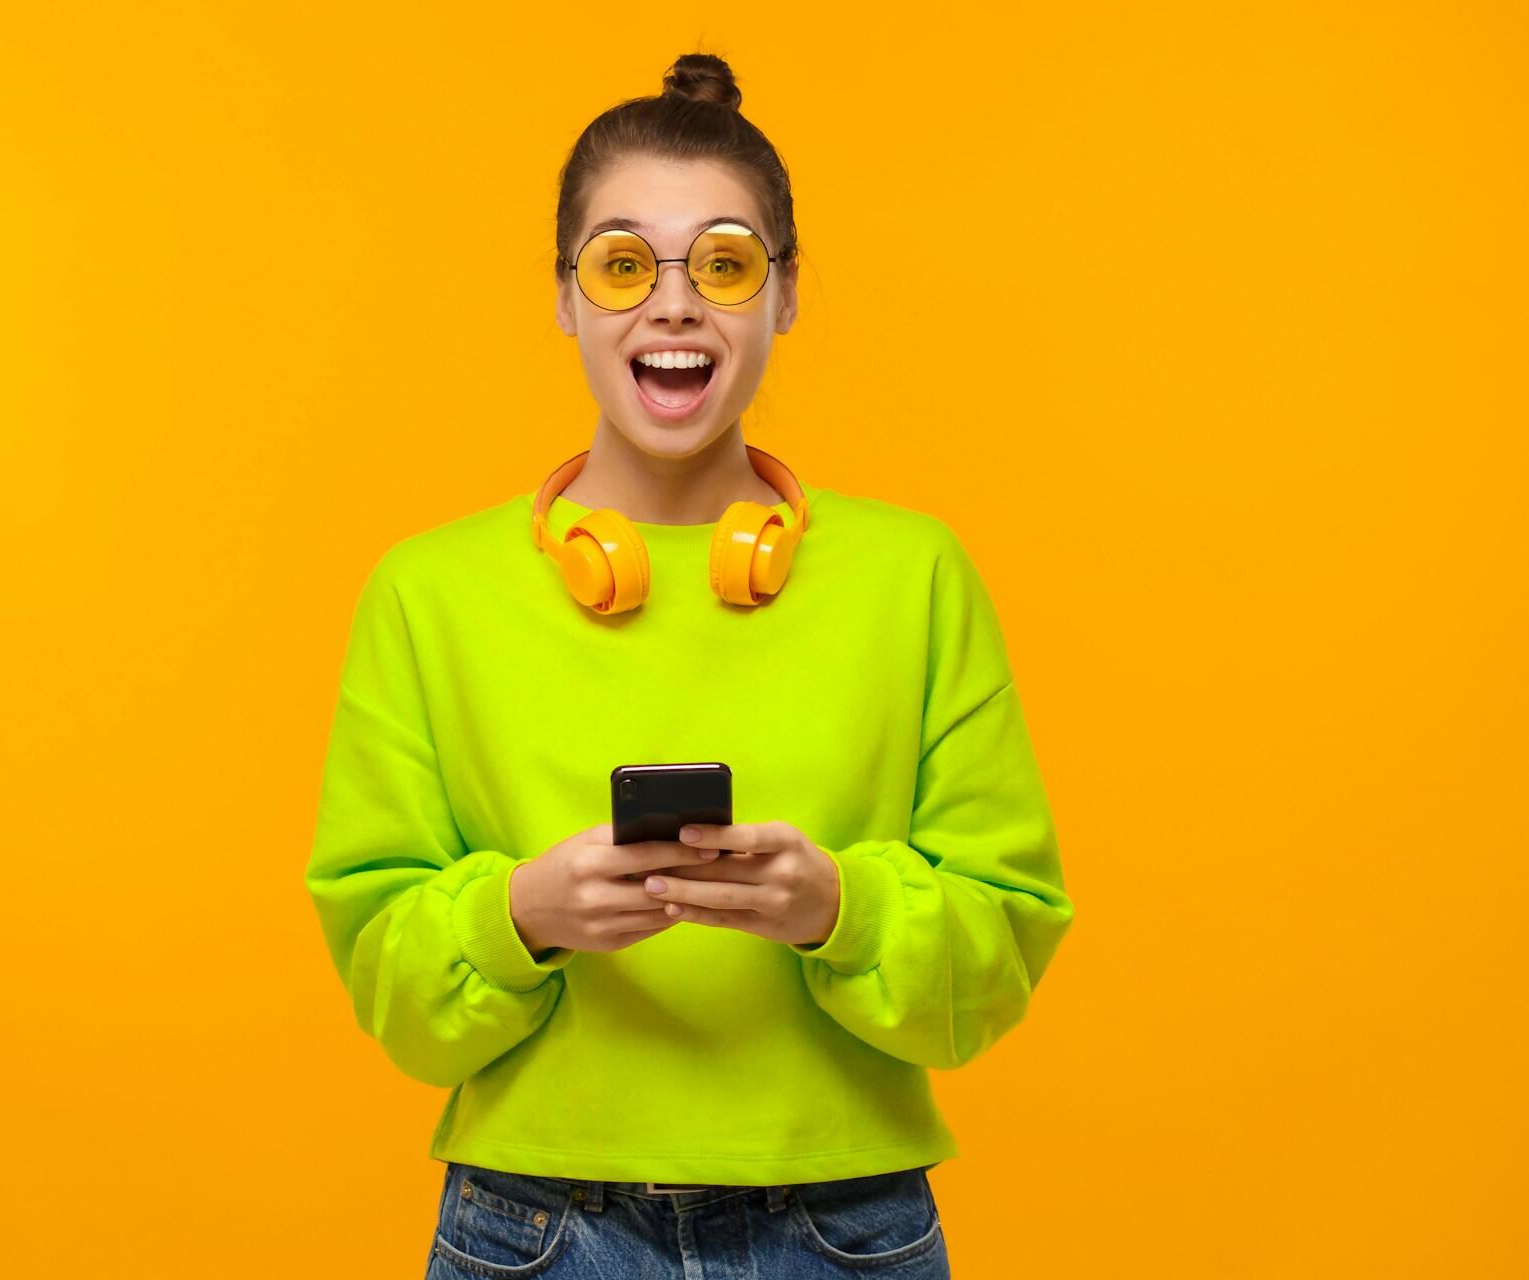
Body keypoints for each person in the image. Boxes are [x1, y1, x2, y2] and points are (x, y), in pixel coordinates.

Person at [304, 51, 1075, 1278]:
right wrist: (519, 917)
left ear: (785, 294)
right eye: (623, 264)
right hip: (532, 1229)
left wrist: (840, 907)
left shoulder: (915, 575)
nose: (674, 305)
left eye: (722, 262)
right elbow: (388, 982)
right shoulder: (427, 591)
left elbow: (1002, 947)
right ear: (565, 297)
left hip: (846, 1225)